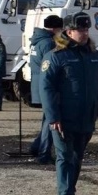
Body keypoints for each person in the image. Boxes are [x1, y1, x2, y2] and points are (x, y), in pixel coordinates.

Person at [41, 12, 98, 195]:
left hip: (86, 117)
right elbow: (46, 89)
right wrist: (53, 117)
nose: (84, 33)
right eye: (80, 30)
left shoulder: (93, 56)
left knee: (77, 157)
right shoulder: (56, 56)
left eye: (86, 29)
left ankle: (70, 194)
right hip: (64, 118)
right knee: (65, 157)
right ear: (68, 31)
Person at [28, 15, 64, 164]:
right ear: (56, 28)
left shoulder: (37, 41)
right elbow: (52, 65)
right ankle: (43, 152)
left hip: (37, 84)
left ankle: (37, 146)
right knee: (50, 120)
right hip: (48, 87)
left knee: (46, 119)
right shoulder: (49, 43)